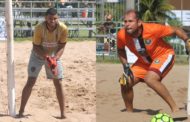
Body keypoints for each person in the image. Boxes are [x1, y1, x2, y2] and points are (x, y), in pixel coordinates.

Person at [117, 9, 190, 112]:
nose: (127, 24)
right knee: (124, 82)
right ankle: (129, 112)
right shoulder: (121, 35)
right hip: (143, 62)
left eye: (130, 21)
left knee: (150, 79)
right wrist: (126, 66)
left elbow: (176, 30)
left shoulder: (153, 29)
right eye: (125, 21)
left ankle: (175, 109)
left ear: (139, 22)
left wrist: (187, 40)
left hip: (164, 55)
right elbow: (120, 50)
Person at [17, 8, 68, 119]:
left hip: (53, 56)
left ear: (57, 18)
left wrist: (55, 58)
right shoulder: (39, 28)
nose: (52, 21)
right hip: (37, 55)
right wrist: (46, 57)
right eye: (50, 18)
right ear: (46, 18)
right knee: (31, 81)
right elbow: (35, 46)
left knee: (58, 82)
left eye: (55, 18)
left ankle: (63, 114)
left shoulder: (63, 28)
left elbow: (62, 45)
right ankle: (21, 111)